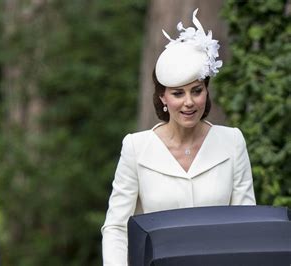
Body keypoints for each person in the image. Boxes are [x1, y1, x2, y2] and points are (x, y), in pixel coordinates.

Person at [101, 9, 255, 265]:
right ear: (162, 97)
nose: (189, 103)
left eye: (196, 91)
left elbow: (248, 224)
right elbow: (116, 228)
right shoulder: (136, 147)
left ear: (206, 91)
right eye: (177, 94)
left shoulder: (232, 142)